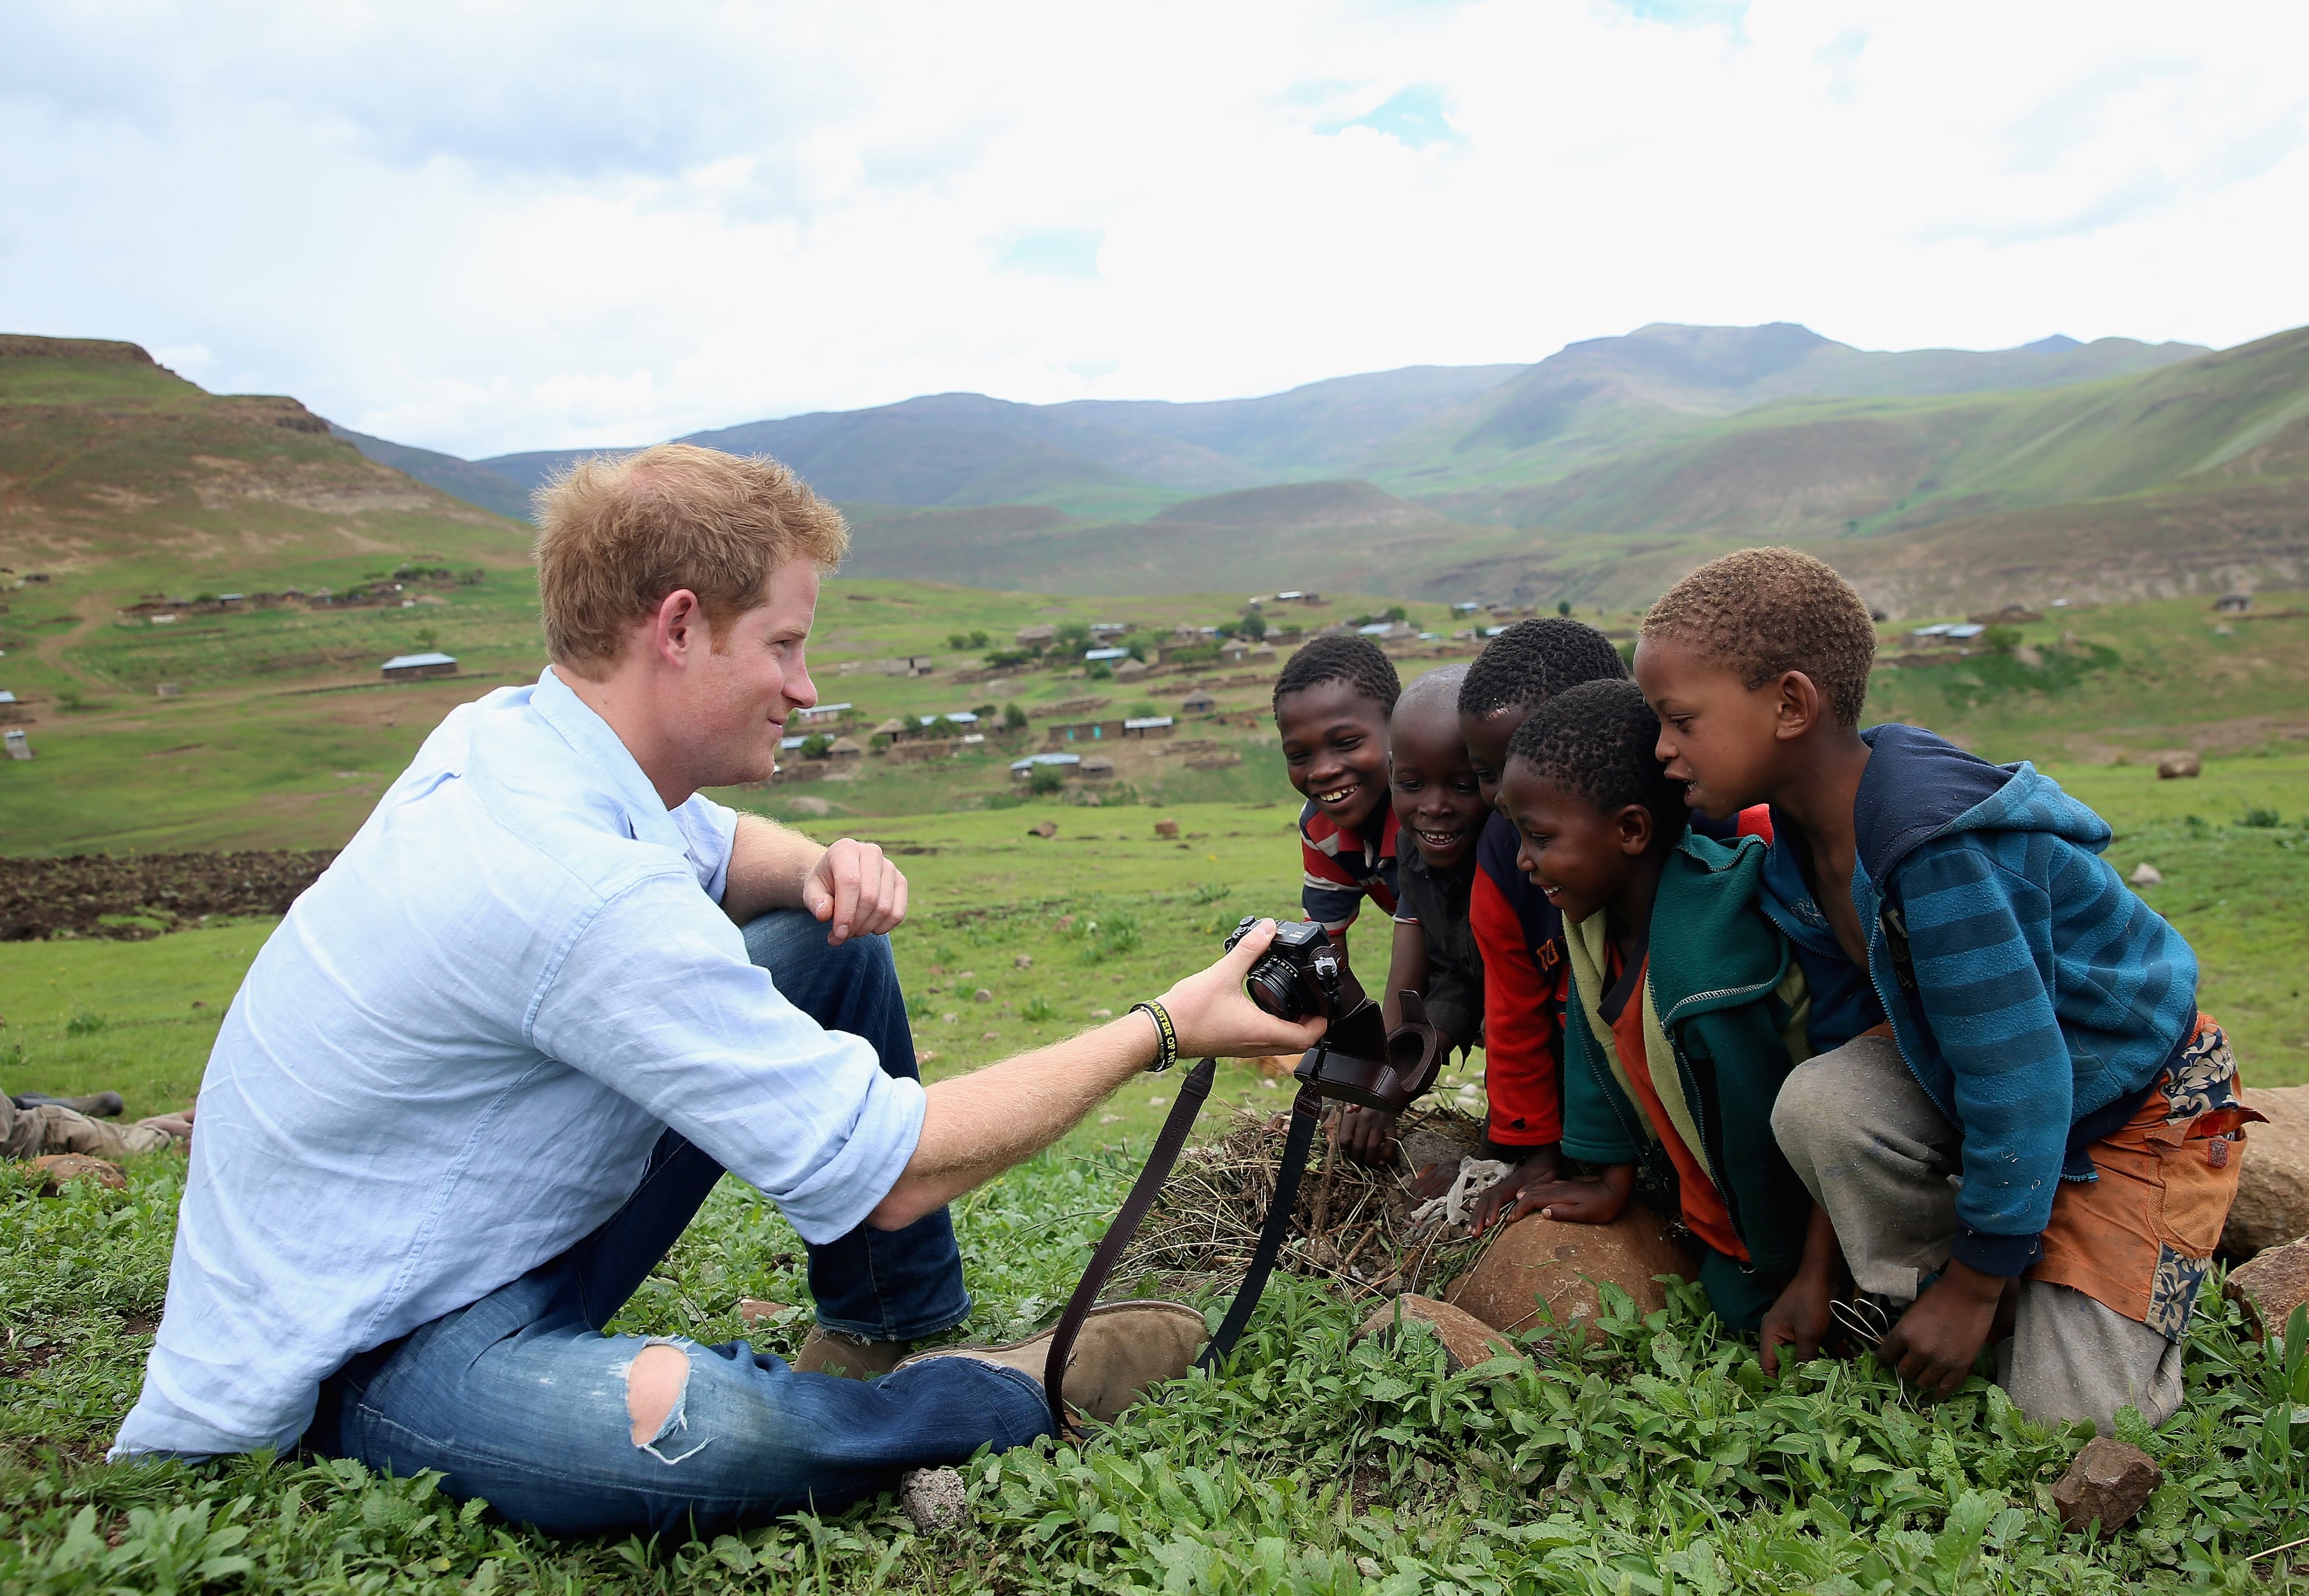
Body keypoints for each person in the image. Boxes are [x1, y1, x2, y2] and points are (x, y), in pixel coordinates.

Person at [110, 444, 1323, 1537]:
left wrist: (819, 866)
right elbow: (894, 1168)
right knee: (714, 1434)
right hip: (372, 1340)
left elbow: (726, 847)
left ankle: (889, 1317)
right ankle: (998, 1385)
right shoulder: (572, 884)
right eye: (785, 645)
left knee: (823, 934)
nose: (805, 688)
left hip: (472, 1230)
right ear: (679, 627)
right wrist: (1164, 1025)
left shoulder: (516, 737)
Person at [1634, 547, 2251, 1426]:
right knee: (1821, 1099)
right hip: (1984, 1082)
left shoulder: (1933, 852)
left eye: (1680, 719)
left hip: (2137, 1100)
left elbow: (2024, 1084)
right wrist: (1817, 1273)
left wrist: (1971, 1291)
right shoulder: (1801, 852)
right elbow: (1868, 1042)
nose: (1662, 749)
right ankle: (1970, 1271)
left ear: (1790, 704)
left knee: (2069, 1420)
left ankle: (1994, 1279)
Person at [1497, 679, 1815, 1330]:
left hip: (1797, 1214)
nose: (1524, 862)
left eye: (1538, 837)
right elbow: (1596, 1044)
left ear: (1632, 830)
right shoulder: (1590, 920)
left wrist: (1792, 1269)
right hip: (1714, 1208)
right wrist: (1610, 1176)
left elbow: (1760, 1132)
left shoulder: (1707, 969)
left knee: (1750, 1315)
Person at [1448, 617, 1632, 1223]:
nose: (1505, 794)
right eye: (1488, 772)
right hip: (1584, 1091)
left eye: (1533, 756)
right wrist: (1528, 1142)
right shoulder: (1505, 857)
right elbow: (1513, 1007)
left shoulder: (1704, 835)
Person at [1336, 664, 1491, 1166]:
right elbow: (1453, 977)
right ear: (1390, 773)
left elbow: (1514, 990)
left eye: (1464, 785)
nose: (1435, 807)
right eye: (1411, 783)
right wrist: (1388, 1076)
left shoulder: (1515, 861)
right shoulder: (1412, 850)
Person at [1272, 631, 1404, 953]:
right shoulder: (1321, 828)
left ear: (1399, 724)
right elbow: (1323, 953)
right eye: (1299, 756)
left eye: (1346, 743)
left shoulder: (1438, 812)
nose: (1322, 771)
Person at [3, 1090, 192, 1161]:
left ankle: (167, 1125)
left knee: (130, 1148)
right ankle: (173, 1120)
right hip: (42, 1133)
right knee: (124, 1134)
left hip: (55, 1133)